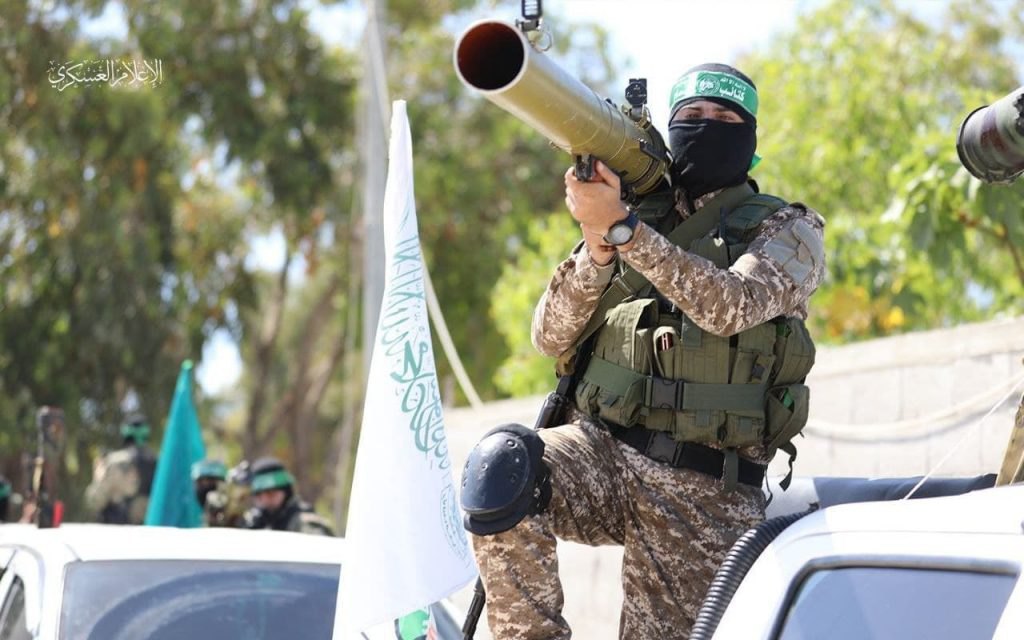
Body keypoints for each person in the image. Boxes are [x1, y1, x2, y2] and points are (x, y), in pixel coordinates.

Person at [463, 63, 826, 639]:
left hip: (707, 490)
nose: (708, 126)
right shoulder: (629, 216)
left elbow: (730, 306)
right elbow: (549, 337)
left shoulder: (787, 227)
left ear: (750, 139)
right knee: (502, 465)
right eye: (692, 117)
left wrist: (628, 232)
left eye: (726, 118)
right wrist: (598, 247)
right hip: (604, 458)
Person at [84, 413, 158, 525]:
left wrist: (98, 476)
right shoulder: (157, 462)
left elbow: (94, 502)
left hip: (118, 535)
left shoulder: (114, 462)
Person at [244, 457, 334, 536]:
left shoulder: (305, 524)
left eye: (270, 493)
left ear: (286, 492)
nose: (264, 499)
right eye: (258, 495)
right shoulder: (257, 522)